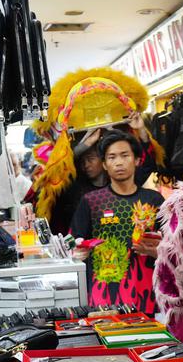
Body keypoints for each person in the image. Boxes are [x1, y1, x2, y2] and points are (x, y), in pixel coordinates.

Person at [71, 131, 165, 313]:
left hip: (147, 294)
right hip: (104, 294)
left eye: (125, 155)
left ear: (137, 160)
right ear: (105, 164)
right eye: (112, 157)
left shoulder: (154, 200)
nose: (119, 162)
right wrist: (78, 252)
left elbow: (174, 248)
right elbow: (74, 242)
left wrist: (156, 252)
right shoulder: (91, 201)